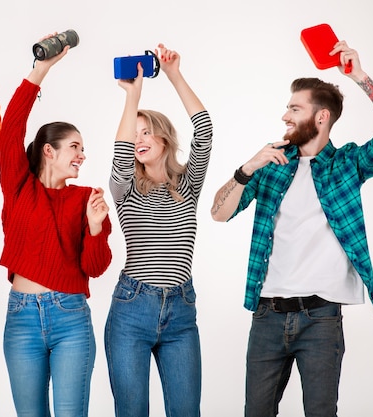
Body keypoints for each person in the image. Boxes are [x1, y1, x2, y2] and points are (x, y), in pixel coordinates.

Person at [210, 41, 373, 417]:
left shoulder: (348, 164)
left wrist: (360, 78)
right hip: (266, 315)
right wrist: (246, 169)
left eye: (294, 108)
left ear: (321, 117)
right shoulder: (270, 164)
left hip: (321, 319)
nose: (284, 115)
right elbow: (219, 214)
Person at [0, 35, 113, 417]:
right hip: (22, 317)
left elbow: (94, 268)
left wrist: (96, 229)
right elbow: (10, 128)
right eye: (75, 147)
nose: (83, 155)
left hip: (70, 318)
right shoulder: (19, 186)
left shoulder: (85, 200)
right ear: (49, 150)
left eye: (83, 148)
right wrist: (40, 70)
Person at [105, 44, 213, 417]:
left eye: (146, 131)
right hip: (133, 309)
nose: (139, 139)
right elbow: (120, 156)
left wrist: (173, 74)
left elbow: (205, 130)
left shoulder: (187, 185)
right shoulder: (125, 188)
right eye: (133, 133)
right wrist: (133, 96)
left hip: (181, 311)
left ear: (164, 137)